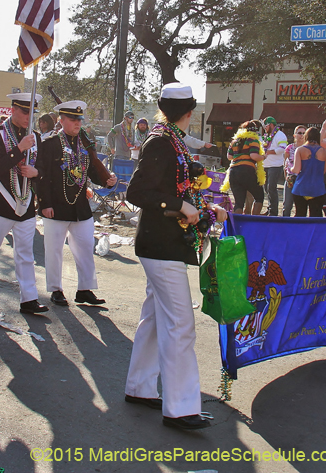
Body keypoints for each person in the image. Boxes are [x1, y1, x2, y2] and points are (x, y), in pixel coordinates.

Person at [125, 82, 227, 431]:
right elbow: (138, 191)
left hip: (164, 242)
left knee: (155, 320)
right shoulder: (162, 142)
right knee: (180, 324)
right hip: (160, 244)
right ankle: (181, 408)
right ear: (191, 111)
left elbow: (175, 186)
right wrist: (181, 204)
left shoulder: (170, 140)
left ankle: (139, 386)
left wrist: (203, 206)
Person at [0, 92, 48, 315]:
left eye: (32, 112)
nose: (28, 117)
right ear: (13, 109)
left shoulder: (35, 137)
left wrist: (36, 172)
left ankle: (29, 298)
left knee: (25, 253)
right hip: (1, 201)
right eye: (24, 111)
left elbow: (42, 168)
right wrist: (20, 149)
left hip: (25, 203)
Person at [36, 100, 117, 306]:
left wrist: (106, 180)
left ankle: (85, 289)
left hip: (80, 207)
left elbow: (90, 172)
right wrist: (45, 204)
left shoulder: (84, 145)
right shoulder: (50, 144)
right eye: (72, 119)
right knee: (54, 250)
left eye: (79, 119)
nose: (77, 123)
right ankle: (55, 289)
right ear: (61, 120)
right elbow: (42, 176)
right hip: (55, 205)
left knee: (85, 247)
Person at [224, 120, 265, 215]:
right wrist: (263, 157)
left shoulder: (234, 141)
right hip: (247, 170)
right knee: (259, 196)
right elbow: (254, 156)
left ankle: (238, 225)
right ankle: (254, 221)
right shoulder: (253, 140)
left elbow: (229, 157)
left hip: (233, 171)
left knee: (239, 202)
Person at [291, 126, 326, 217]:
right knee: (316, 217)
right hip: (318, 188)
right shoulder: (324, 151)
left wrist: (289, 167)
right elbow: (324, 171)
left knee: (300, 215)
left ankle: (300, 231)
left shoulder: (300, 150)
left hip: (301, 187)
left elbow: (296, 169)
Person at [261, 116, 288, 216]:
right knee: (266, 188)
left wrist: (268, 151)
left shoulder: (280, 135)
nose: (265, 128)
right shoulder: (267, 136)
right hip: (266, 165)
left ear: (271, 125)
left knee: (271, 187)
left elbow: (282, 149)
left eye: (266, 126)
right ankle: (269, 208)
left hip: (275, 165)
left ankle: (273, 212)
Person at [282, 125, 306, 217]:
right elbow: (285, 165)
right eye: (300, 133)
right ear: (295, 135)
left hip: (302, 179)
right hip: (291, 177)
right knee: (287, 205)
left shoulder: (307, 149)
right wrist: (286, 178)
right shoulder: (289, 148)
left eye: (304, 133)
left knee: (301, 206)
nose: (302, 135)